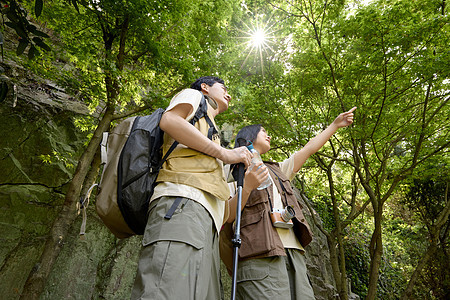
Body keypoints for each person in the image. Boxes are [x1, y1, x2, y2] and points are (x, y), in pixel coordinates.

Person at [130, 76, 253, 300]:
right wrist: (225, 154)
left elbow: (225, 210)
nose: (229, 94)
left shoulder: (213, 133)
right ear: (205, 87)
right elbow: (170, 121)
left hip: (206, 222)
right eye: (223, 88)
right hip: (182, 202)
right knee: (166, 291)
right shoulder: (195, 96)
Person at [220, 107, 356, 300]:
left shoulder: (278, 170)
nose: (268, 136)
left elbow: (308, 149)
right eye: (263, 132)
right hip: (258, 254)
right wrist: (248, 186)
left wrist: (334, 125)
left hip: (294, 254)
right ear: (249, 138)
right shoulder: (231, 171)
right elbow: (227, 216)